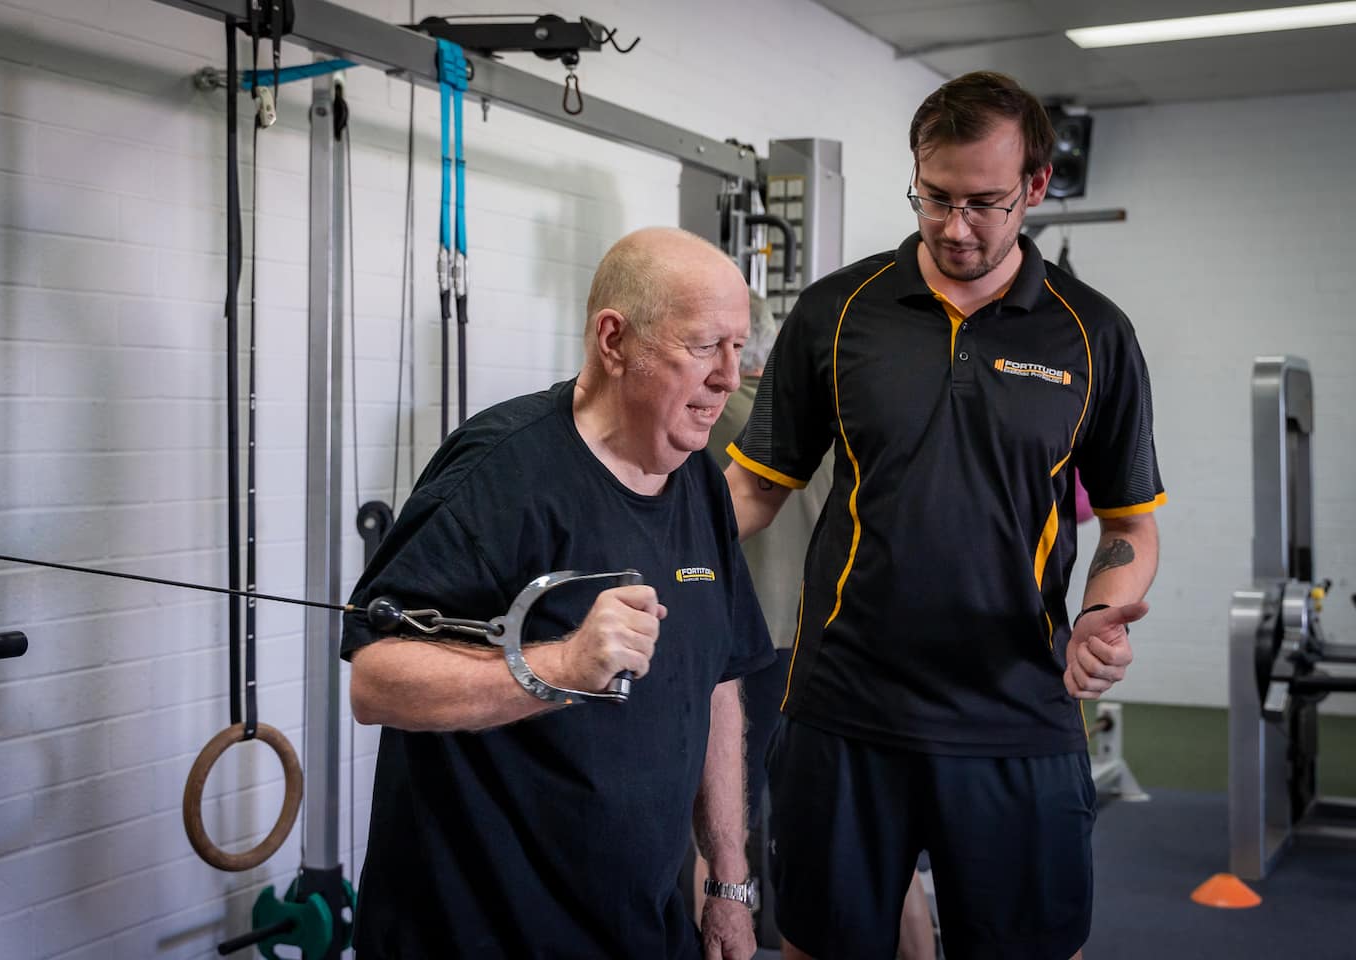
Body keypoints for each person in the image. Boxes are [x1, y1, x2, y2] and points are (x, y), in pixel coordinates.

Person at [724, 71, 1165, 960]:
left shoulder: (1093, 335)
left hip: (1017, 711)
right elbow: (755, 488)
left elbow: (1129, 521)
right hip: (843, 707)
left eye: (984, 203)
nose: (954, 227)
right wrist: (646, 548)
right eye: (935, 197)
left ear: (1035, 189)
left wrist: (1101, 614)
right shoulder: (837, 312)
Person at [342, 226, 774, 960]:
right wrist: (559, 668)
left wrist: (729, 882)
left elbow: (720, 682)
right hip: (484, 934)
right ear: (614, 341)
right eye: (705, 346)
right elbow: (376, 681)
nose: (730, 378)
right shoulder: (502, 471)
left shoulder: (698, 480)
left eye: (739, 349)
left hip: (640, 924)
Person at [707, 293, 936, 960]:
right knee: (875, 830)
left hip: (747, 640)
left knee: (719, 819)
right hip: (825, 642)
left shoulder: (722, 421)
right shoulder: (835, 422)